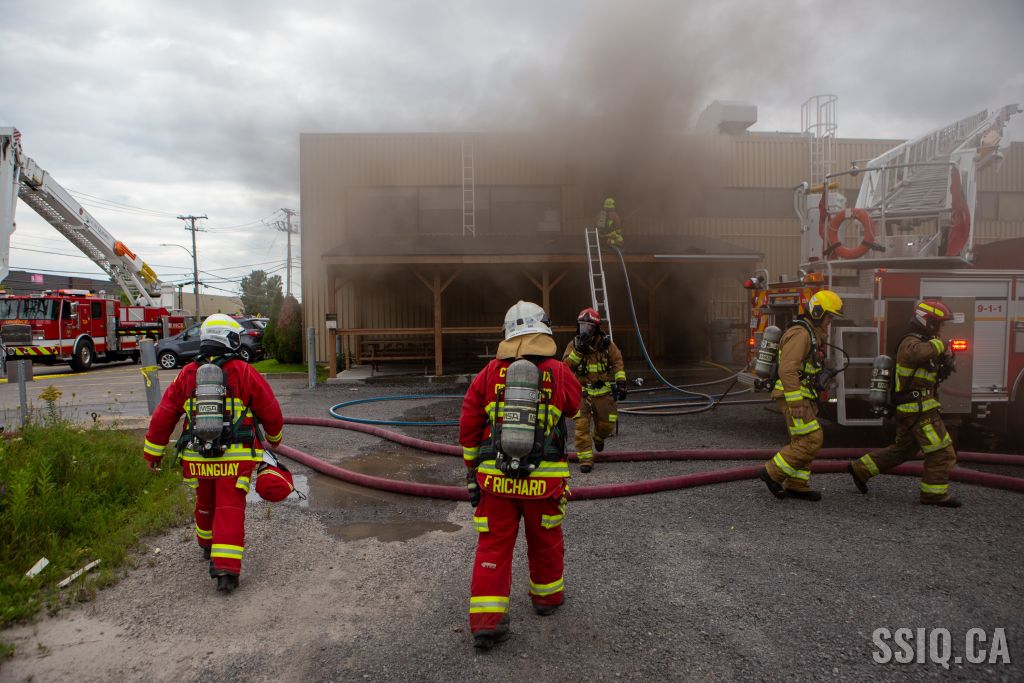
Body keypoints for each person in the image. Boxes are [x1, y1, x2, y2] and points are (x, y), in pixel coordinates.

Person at [460, 301, 582, 650]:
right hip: (544, 483)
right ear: (544, 330)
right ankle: (547, 598)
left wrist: (471, 471)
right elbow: (574, 407)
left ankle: (487, 622)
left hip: (495, 481)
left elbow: (469, 427)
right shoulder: (558, 371)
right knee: (545, 541)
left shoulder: (489, 373)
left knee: (493, 546)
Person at [143, 314, 285, 592]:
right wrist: (275, 438)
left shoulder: (187, 374)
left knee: (205, 500)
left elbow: (165, 415)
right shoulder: (244, 371)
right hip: (236, 458)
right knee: (229, 508)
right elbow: (269, 408)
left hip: (197, 457)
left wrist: (153, 453)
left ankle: (207, 545)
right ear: (229, 339)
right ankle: (226, 570)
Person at [848, 300, 961, 507]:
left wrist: (943, 365)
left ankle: (860, 469)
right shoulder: (911, 341)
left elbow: (923, 369)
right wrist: (941, 345)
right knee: (941, 452)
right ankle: (933, 494)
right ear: (928, 321)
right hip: (919, 409)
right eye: (939, 323)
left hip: (916, 408)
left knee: (903, 450)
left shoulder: (925, 341)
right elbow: (914, 354)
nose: (941, 328)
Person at [759, 290, 845, 501]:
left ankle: (797, 484)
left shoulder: (811, 334)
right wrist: (796, 401)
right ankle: (772, 472)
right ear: (817, 312)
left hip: (802, 395)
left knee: (801, 439)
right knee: (812, 438)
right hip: (793, 396)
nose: (830, 322)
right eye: (829, 317)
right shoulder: (801, 334)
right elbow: (787, 369)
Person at [562, 307, 626, 473]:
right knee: (581, 427)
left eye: (588, 327)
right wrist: (578, 352)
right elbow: (565, 368)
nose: (585, 331)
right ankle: (585, 461)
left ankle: (598, 437)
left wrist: (621, 383)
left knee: (607, 424)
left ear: (596, 329)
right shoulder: (574, 345)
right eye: (582, 326)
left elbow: (617, 362)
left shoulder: (607, 345)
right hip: (582, 393)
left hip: (603, 393)